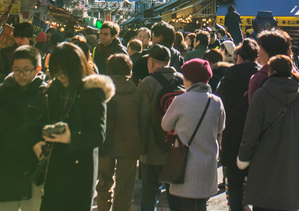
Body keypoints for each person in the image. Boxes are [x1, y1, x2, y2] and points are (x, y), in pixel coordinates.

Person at [237, 55, 299, 211]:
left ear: (271, 71)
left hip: (264, 161)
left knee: (264, 204)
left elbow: (250, 132)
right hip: (293, 164)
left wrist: (244, 158)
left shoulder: (261, 95)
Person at [41, 43, 114, 211]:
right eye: (56, 71)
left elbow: (98, 135)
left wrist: (71, 137)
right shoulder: (54, 90)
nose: (60, 75)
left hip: (80, 170)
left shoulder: (92, 93)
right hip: (55, 167)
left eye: (64, 70)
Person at [0, 45, 48, 211]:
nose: (21, 75)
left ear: (38, 69)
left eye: (26, 70)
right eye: (17, 70)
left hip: (35, 169)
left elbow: (53, 128)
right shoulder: (0, 94)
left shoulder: (46, 95)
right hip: (6, 167)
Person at [161, 59, 226, 211]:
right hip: (208, 161)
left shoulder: (180, 100)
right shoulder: (216, 102)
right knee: (201, 202)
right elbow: (220, 127)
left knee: (187, 203)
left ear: (189, 79)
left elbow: (165, 125)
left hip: (185, 160)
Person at [95, 53, 146, 211]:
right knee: (124, 188)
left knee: (103, 184)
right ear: (129, 71)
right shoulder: (136, 92)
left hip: (104, 143)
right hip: (130, 144)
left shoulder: (100, 92)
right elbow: (143, 121)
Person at [138, 44, 185, 211]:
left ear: (151, 61)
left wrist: (142, 149)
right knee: (175, 193)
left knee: (149, 193)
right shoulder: (182, 79)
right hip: (177, 147)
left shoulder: (147, 83)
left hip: (152, 148)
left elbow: (143, 119)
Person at [216, 40, 261, 211]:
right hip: (257, 137)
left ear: (238, 57)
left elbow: (220, 106)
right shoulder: (262, 77)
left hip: (232, 136)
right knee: (256, 181)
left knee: (233, 181)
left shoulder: (228, 78)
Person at [248, 29, 299, 101]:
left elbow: (254, 110)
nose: (258, 52)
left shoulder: (257, 79)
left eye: (260, 48)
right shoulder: (298, 78)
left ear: (270, 51)